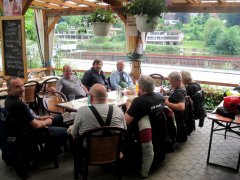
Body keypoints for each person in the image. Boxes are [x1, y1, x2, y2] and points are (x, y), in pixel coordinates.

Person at [4, 77, 68, 178]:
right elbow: (36, 125)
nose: (22, 88)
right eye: (17, 87)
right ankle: (46, 153)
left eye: (22, 85)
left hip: (28, 126)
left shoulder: (8, 100)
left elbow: (29, 116)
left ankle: (53, 145)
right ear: (9, 90)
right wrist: (46, 121)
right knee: (66, 131)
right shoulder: (18, 104)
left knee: (60, 117)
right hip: (32, 133)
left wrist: (41, 117)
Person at [124, 75, 166, 177]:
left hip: (142, 134)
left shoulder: (139, 102)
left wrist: (128, 106)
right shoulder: (160, 97)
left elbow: (125, 121)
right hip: (158, 131)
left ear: (141, 88)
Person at [161, 71, 187, 142]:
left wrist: (167, 103)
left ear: (178, 81)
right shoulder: (181, 87)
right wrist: (165, 93)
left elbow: (181, 107)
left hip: (175, 116)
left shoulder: (179, 92)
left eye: (171, 81)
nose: (170, 83)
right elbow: (174, 97)